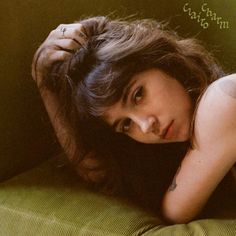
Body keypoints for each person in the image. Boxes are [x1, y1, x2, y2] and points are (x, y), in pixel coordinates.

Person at [32, 16, 236, 223]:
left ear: (162, 60)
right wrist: (44, 81)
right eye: (126, 124)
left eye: (138, 95)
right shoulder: (177, 150)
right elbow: (94, 171)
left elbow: (175, 211)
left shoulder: (224, 98)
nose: (146, 126)